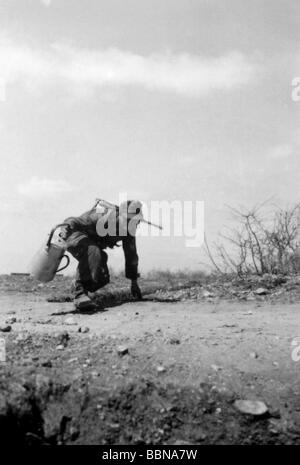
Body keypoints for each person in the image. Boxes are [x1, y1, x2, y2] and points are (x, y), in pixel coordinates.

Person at [61, 200, 143, 311]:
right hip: (74, 235)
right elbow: (73, 221)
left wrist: (134, 283)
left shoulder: (128, 231)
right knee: (94, 251)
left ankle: (82, 289)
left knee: (102, 278)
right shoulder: (102, 214)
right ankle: (79, 292)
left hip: (92, 245)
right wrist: (66, 228)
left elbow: (131, 255)